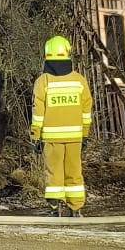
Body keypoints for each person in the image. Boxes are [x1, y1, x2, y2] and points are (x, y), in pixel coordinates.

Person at [31, 36, 94, 216]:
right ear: (68, 54)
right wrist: (85, 134)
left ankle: (55, 207)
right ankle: (76, 209)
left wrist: (36, 136)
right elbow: (86, 110)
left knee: (54, 173)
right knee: (74, 172)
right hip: (75, 137)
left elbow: (38, 112)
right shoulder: (79, 80)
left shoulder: (43, 82)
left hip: (51, 138)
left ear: (46, 55)